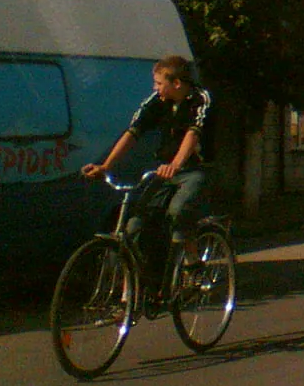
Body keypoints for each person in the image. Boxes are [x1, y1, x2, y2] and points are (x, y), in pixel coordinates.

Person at [82, 55, 212, 292]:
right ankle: (129, 296)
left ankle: (192, 265)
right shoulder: (157, 101)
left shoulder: (199, 99)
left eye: (159, 83)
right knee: (133, 227)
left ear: (177, 83)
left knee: (178, 211)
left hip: (192, 170)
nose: (155, 88)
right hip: (162, 171)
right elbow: (133, 132)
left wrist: (176, 164)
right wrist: (106, 166)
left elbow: (193, 134)